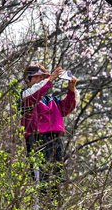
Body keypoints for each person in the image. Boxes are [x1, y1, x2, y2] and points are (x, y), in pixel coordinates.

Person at [19, 65, 78, 195]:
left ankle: (53, 208)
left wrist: (71, 89)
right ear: (28, 79)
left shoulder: (51, 100)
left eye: (42, 77)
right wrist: (50, 79)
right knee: (41, 178)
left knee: (56, 179)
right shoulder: (25, 96)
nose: (40, 79)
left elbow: (67, 107)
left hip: (56, 141)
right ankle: (39, 209)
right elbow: (34, 95)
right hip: (37, 140)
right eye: (36, 77)